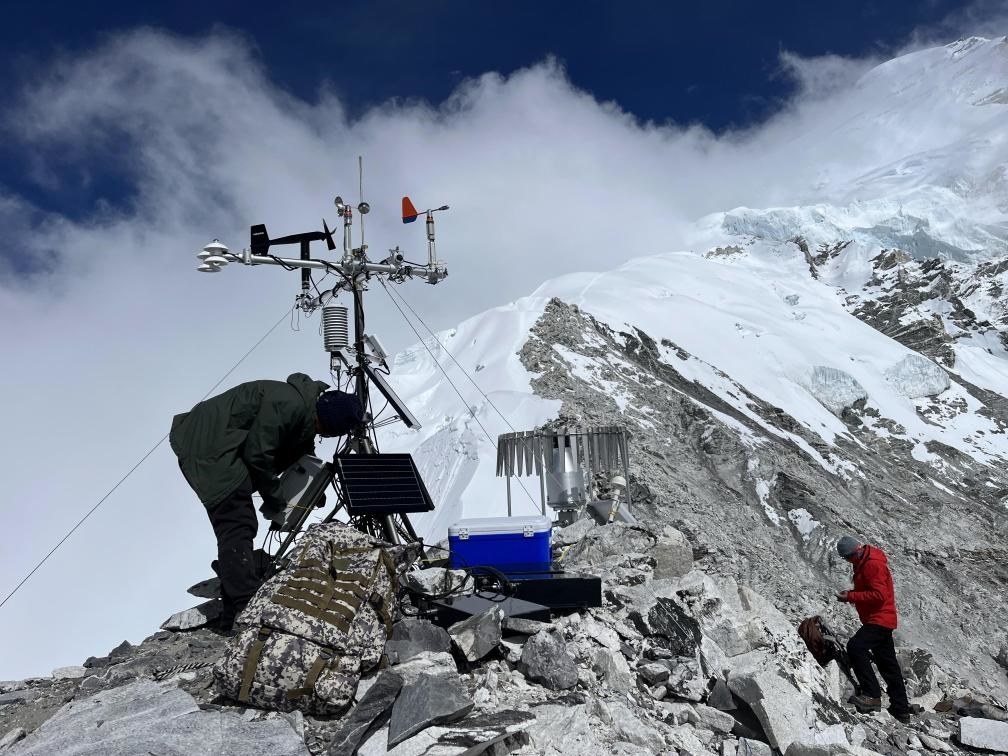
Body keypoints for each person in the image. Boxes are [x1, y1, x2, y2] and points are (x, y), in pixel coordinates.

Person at [170, 373, 364, 630]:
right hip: (209, 448)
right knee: (237, 523)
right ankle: (245, 606)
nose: (321, 434)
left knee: (239, 522)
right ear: (326, 422)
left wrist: (311, 487)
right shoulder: (290, 405)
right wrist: (276, 499)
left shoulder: (301, 407)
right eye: (324, 431)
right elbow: (258, 455)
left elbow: (301, 448)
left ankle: (232, 607)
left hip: (218, 443)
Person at [835, 535, 912, 723]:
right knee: (888, 665)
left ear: (855, 552)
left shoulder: (872, 565)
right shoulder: (864, 561)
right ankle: (901, 710)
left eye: (847, 558)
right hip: (880, 618)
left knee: (855, 647)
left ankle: (872, 695)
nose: (847, 561)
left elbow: (879, 595)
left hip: (879, 618)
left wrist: (851, 596)